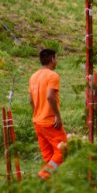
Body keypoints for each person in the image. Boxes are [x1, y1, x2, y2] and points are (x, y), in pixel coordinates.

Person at [29, 49, 68, 180]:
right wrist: (57, 115)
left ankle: (49, 184)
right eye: (56, 58)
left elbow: (31, 100)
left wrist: (37, 113)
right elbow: (50, 97)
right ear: (52, 59)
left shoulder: (33, 76)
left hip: (37, 121)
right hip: (50, 122)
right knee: (64, 150)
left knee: (49, 155)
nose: (56, 61)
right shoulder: (52, 76)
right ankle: (43, 176)